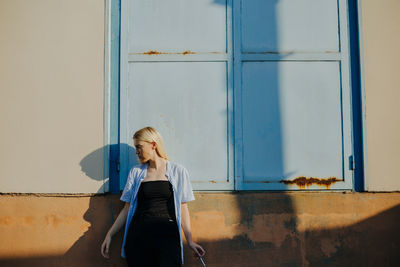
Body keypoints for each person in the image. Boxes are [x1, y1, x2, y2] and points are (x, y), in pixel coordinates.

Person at [101, 126, 205, 266]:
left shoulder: (178, 171)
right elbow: (127, 208)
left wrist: (190, 240)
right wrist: (110, 234)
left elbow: (182, 207)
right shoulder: (136, 172)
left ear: (153, 145)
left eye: (139, 147)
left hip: (168, 238)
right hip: (139, 237)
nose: (136, 151)